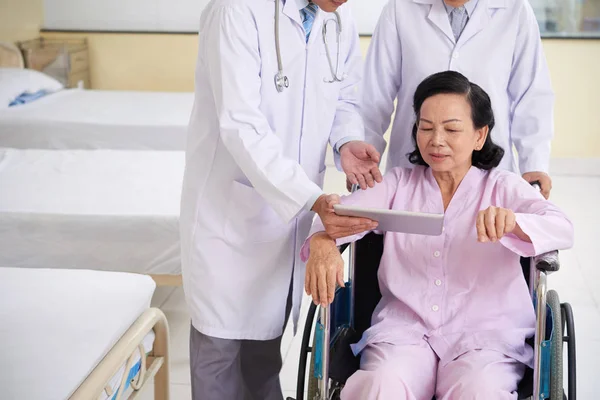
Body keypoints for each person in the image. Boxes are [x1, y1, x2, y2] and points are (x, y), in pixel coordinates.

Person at [302, 71, 574, 399]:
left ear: (479, 135)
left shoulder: (503, 187)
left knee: (479, 392)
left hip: (484, 339)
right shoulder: (397, 185)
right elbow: (336, 217)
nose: (436, 140)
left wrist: (514, 222)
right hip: (404, 334)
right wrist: (322, 241)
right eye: (426, 127)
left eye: (452, 129)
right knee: (379, 386)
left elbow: (562, 227)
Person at [179, 0, 382, 399]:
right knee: (219, 354)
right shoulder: (235, 10)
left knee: (264, 352)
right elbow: (241, 123)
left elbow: (344, 94)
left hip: (287, 215)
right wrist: (309, 196)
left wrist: (346, 140)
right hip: (232, 216)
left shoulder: (337, 15)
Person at [359, 0, 555, 198]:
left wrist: (534, 163)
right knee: (409, 225)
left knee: (486, 224)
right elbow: (374, 95)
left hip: (489, 169)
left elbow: (531, 95)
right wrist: (364, 153)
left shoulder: (515, 9)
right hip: (413, 167)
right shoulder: (399, 8)